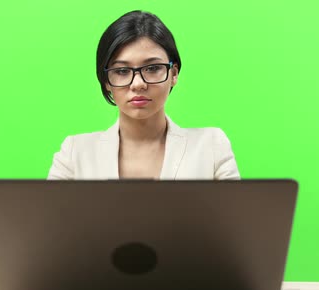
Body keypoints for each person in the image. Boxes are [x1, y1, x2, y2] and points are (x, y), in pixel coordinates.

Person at [48, 10, 240, 180]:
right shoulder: (75, 153)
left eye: (153, 68)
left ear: (173, 74)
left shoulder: (211, 146)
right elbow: (47, 218)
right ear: (106, 80)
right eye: (122, 71)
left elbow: (236, 218)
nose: (138, 84)